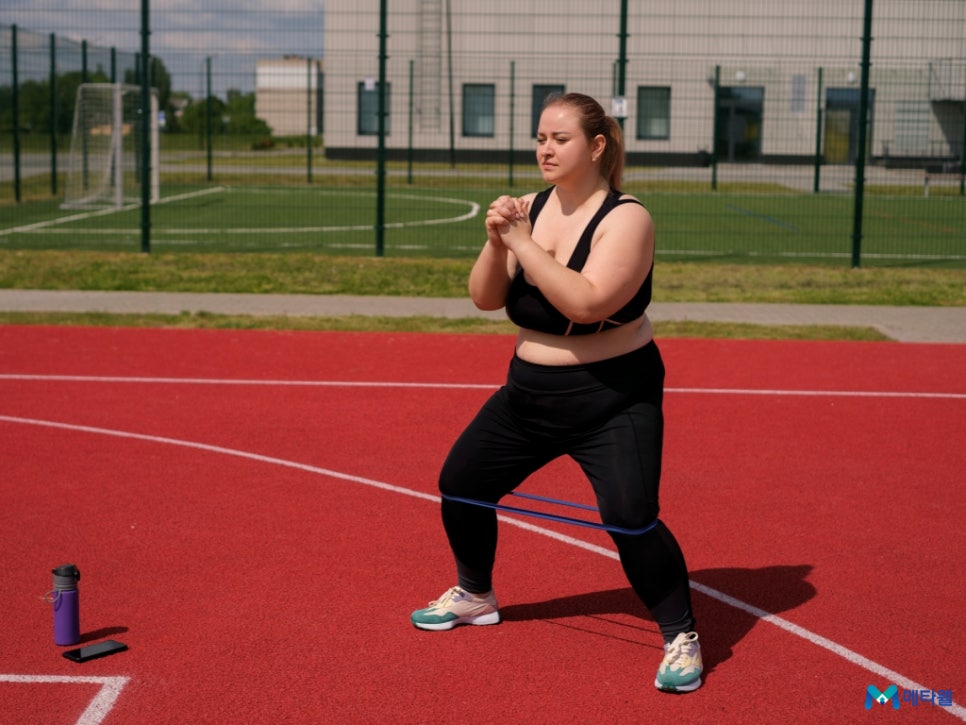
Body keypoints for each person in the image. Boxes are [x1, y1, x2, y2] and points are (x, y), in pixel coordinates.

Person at [410, 92, 703, 693]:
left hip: (613, 396)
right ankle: (475, 594)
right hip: (529, 393)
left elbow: (588, 301)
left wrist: (521, 243)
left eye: (559, 139)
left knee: (630, 519)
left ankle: (681, 635)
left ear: (596, 146)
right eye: (540, 137)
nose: (545, 148)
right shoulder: (531, 208)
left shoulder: (628, 217)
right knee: (462, 484)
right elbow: (486, 299)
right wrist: (497, 240)